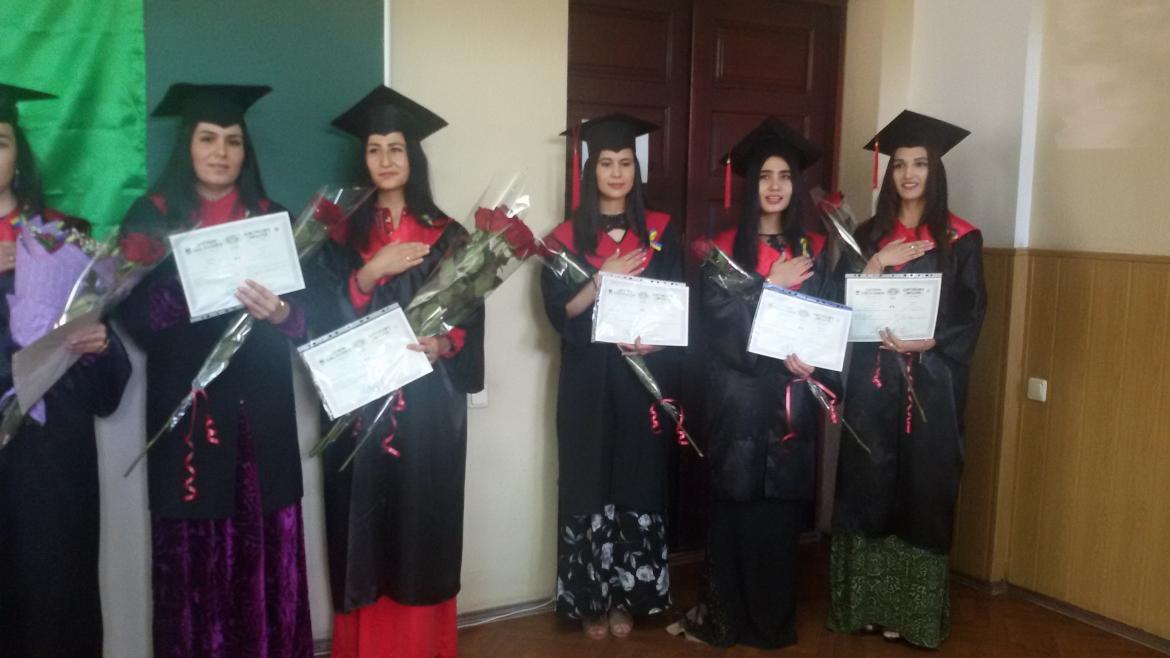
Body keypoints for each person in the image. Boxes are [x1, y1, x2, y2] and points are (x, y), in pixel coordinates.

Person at [116, 83, 313, 657]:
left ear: (246, 151)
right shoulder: (152, 219)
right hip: (188, 410)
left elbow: (307, 318)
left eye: (232, 141)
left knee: (267, 543)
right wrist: (191, 287)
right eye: (208, 139)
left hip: (263, 411)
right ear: (188, 146)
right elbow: (132, 317)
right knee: (191, 554)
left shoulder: (273, 219)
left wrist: (280, 311)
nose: (221, 152)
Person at [318, 85, 485, 658]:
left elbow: (469, 317)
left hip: (428, 412)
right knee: (361, 527)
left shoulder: (449, 234)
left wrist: (444, 343)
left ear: (413, 156)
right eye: (374, 149)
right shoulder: (340, 236)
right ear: (361, 159)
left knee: (422, 528)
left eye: (396, 147)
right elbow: (317, 322)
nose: (386, 159)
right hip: (361, 411)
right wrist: (368, 274)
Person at [828, 110, 987, 649]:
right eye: (899, 164)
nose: (909, 174)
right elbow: (839, 305)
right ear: (888, 173)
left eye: (920, 163)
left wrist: (931, 342)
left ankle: (912, 615)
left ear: (935, 170)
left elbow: (972, 313)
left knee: (924, 488)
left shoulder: (960, 238)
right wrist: (875, 263)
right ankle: (865, 608)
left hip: (933, 384)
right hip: (874, 383)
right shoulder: (868, 235)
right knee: (867, 484)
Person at [679, 117, 833, 649]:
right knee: (737, 502)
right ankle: (729, 619)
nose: (775, 185)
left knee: (780, 510)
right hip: (739, 398)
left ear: (795, 185)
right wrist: (770, 283)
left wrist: (814, 360)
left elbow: (828, 314)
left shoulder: (815, 247)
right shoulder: (723, 250)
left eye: (784, 176)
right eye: (765, 175)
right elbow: (718, 324)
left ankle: (772, 623)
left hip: (792, 396)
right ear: (751, 185)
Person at [0, 82, 132, 658]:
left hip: (53, 452)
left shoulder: (61, 238)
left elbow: (106, 372)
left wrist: (99, 345)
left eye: (0, 141)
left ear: (19, 155)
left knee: (55, 593)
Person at [542, 113, 683, 639]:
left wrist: (657, 342)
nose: (617, 172)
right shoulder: (562, 240)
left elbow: (676, 305)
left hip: (641, 372)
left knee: (637, 476)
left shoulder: (662, 232)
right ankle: (589, 600)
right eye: (607, 163)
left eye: (626, 162)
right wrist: (603, 278)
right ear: (591, 171)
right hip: (586, 378)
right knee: (587, 477)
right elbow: (560, 312)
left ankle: (630, 598)